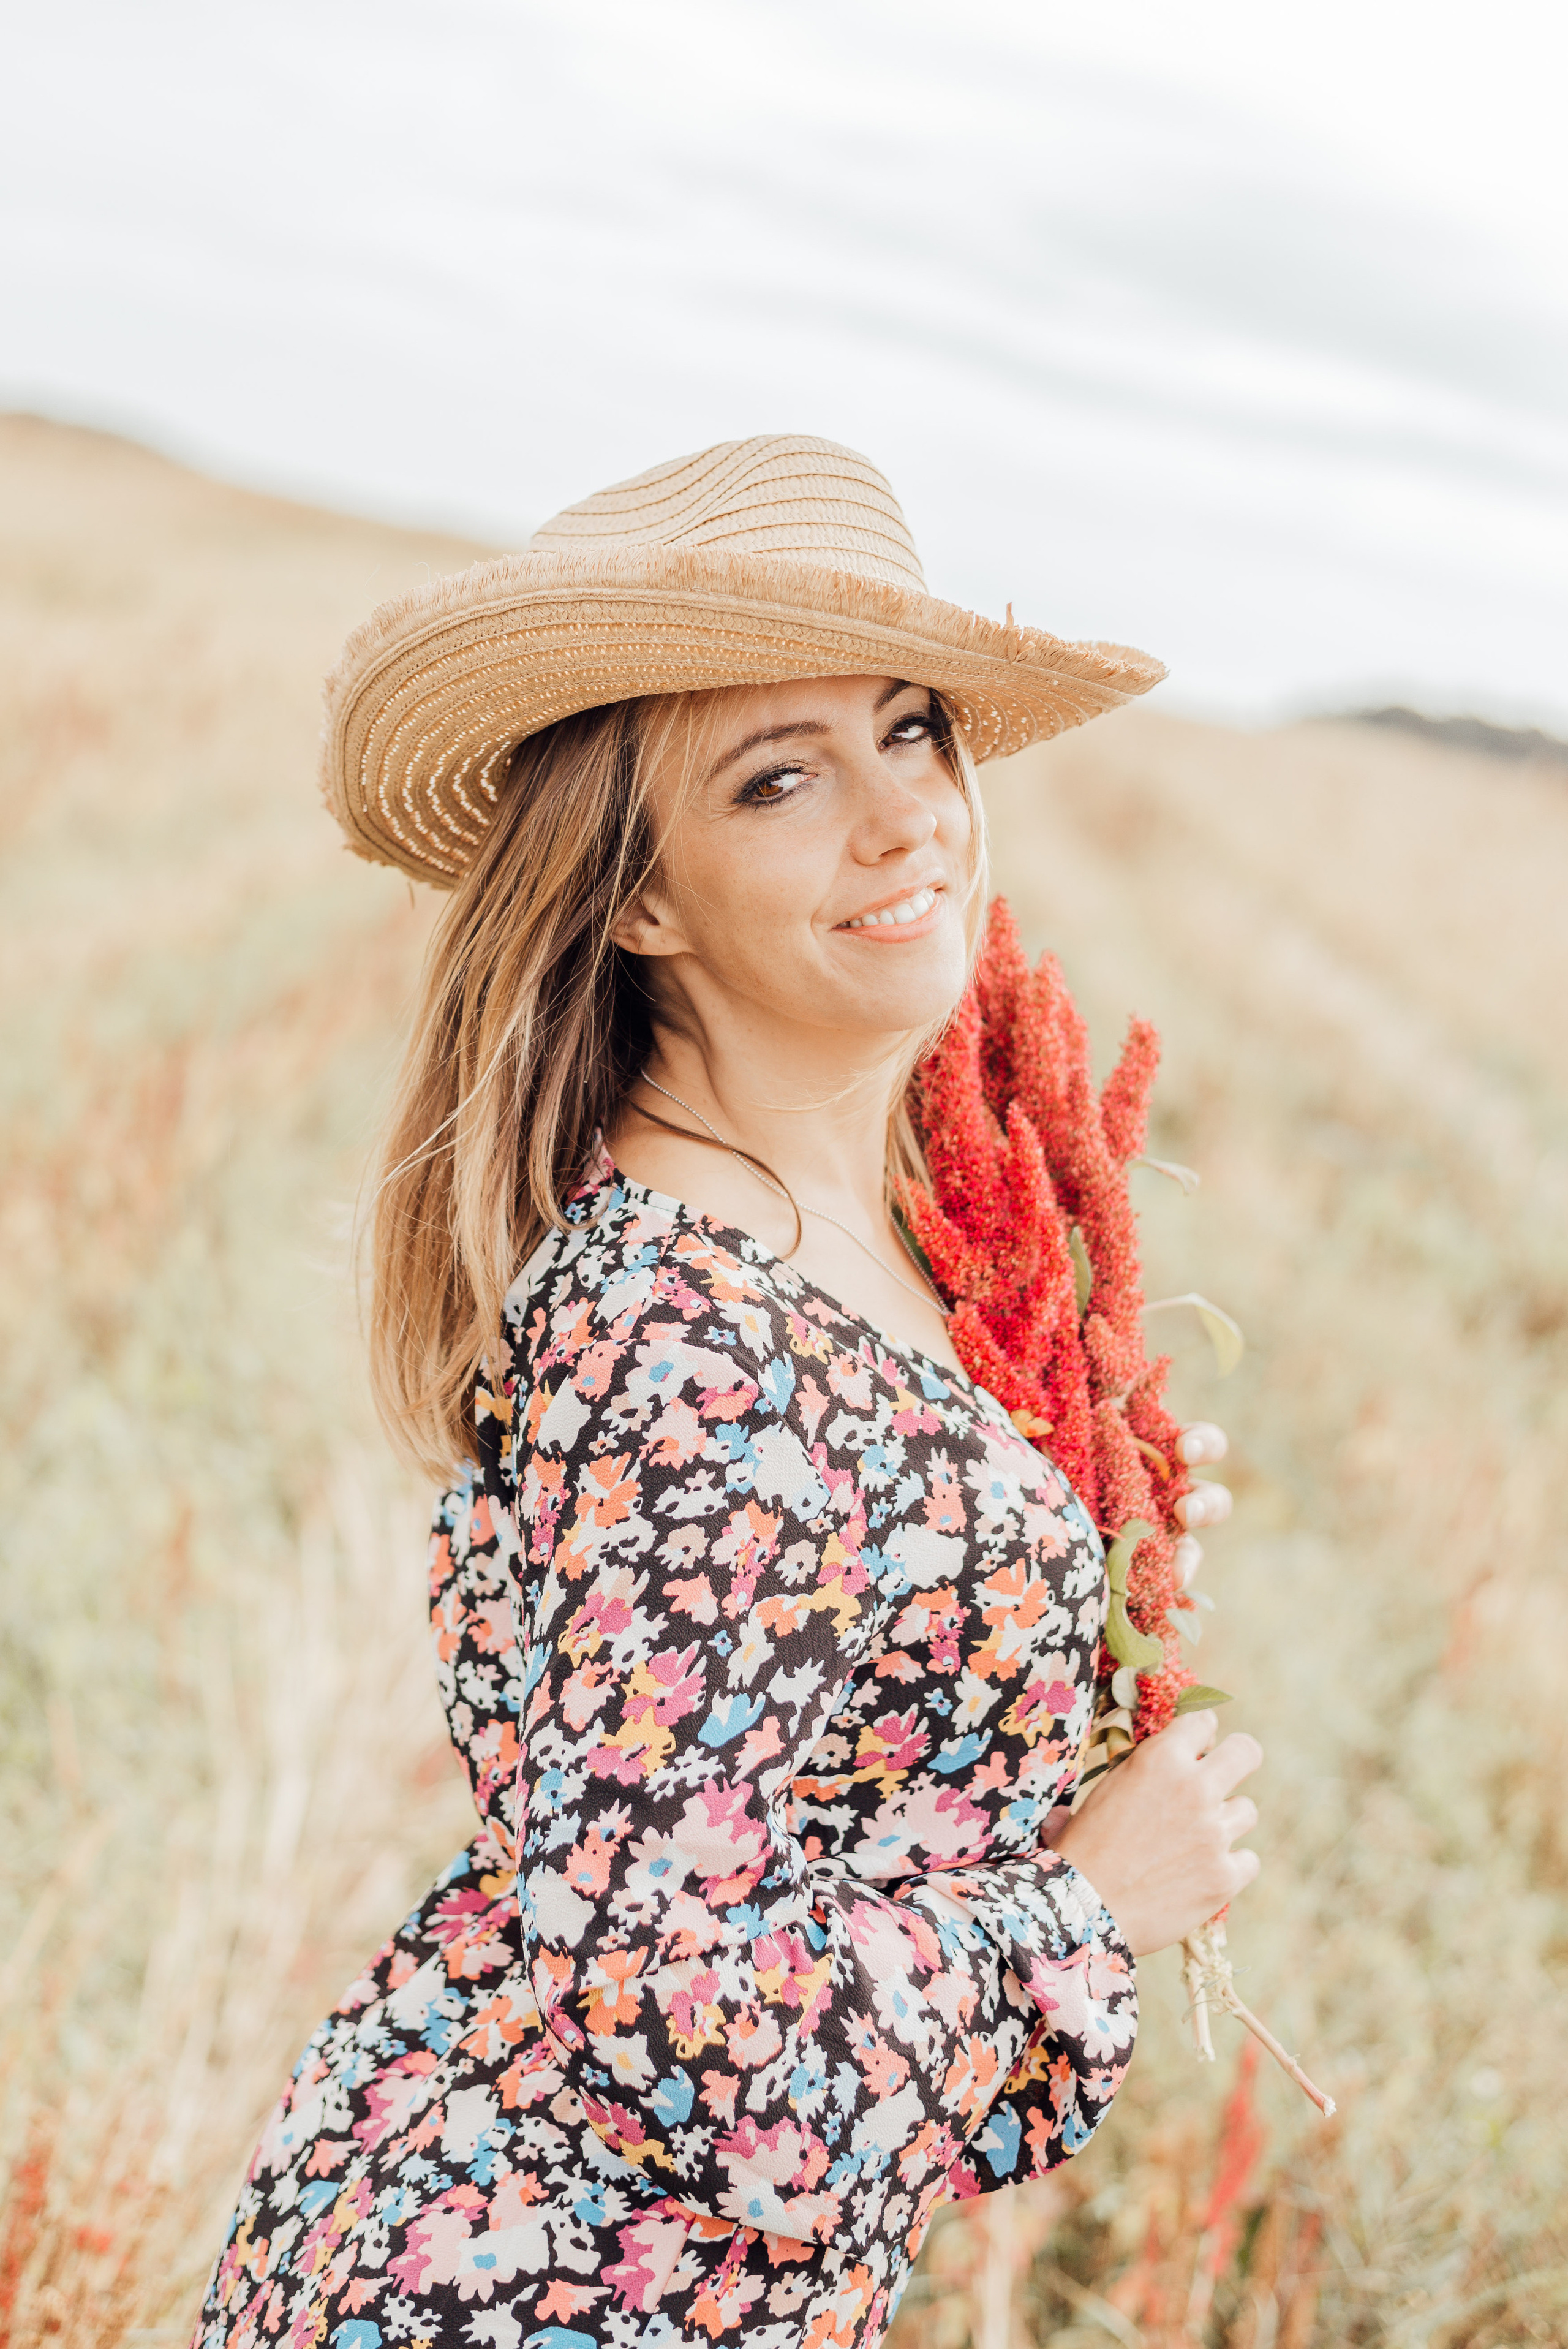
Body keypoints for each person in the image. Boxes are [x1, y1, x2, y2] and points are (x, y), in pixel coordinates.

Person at [194, 437, 1259, 2348]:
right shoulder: (678, 1331)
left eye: (912, 731)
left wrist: (1087, 1545)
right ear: (642, 901)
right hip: (530, 2288)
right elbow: (679, 2022)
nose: (903, 818)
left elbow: (830, 1733)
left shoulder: (858, 1237)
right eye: (781, 776)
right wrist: (1086, 1913)